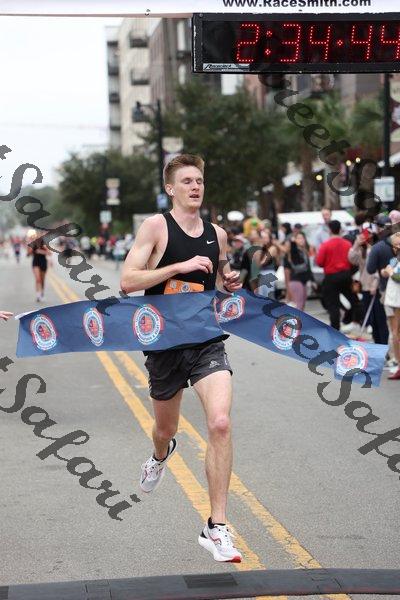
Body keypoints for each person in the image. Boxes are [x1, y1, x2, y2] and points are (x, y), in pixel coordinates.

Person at [120, 154, 242, 563]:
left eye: (199, 180)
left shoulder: (217, 234)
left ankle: (217, 526)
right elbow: (128, 281)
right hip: (164, 343)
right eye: (187, 181)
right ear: (170, 188)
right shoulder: (156, 227)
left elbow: (218, 281)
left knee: (220, 423)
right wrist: (179, 266)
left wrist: (229, 281)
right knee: (164, 428)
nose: (195, 186)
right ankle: (160, 455)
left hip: (206, 339)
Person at [348, 228, 387, 345]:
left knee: (380, 319)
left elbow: (381, 267)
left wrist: (376, 283)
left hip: (377, 289)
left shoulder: (379, 248)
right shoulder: (363, 250)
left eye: (368, 233)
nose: (366, 236)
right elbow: (351, 258)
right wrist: (356, 244)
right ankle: (377, 343)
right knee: (371, 319)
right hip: (365, 287)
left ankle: (383, 345)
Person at [316, 220, 357, 331]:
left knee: (333, 303)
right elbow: (352, 260)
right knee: (352, 298)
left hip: (331, 276)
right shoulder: (347, 244)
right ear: (340, 230)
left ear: (330, 230)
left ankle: (335, 327)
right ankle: (355, 319)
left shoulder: (325, 245)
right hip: (346, 275)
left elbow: (319, 262)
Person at [381, 232, 400, 380]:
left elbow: (398, 277)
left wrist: (390, 272)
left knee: (396, 334)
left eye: (397, 245)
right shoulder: (395, 260)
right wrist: (386, 271)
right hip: (393, 300)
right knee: (395, 334)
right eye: (394, 245)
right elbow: (386, 271)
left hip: (398, 301)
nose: (395, 248)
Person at [284, 232, 313, 311]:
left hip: (304, 281)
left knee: (302, 305)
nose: (301, 240)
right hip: (295, 280)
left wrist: (312, 280)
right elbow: (286, 273)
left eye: (302, 238)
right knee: (298, 306)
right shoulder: (292, 253)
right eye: (298, 238)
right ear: (295, 240)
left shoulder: (305, 252)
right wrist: (288, 291)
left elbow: (309, 269)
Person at [27, 234, 52, 302]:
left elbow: (49, 253)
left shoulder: (44, 245)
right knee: (38, 279)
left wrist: (41, 251)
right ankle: (38, 295)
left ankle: (42, 293)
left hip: (43, 262)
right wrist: (31, 248)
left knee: (42, 280)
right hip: (35, 263)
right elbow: (28, 254)